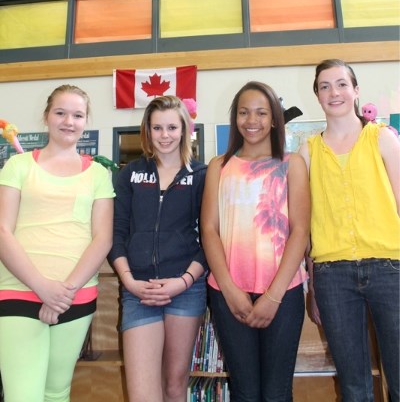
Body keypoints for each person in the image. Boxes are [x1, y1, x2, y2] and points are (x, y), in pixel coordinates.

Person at [0, 84, 114, 402]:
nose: (69, 121)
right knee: (23, 396)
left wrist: (64, 292)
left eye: (77, 115)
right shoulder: (17, 167)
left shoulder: (98, 175)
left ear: (85, 120)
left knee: (56, 392)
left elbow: (102, 237)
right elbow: (2, 231)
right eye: (60, 112)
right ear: (47, 116)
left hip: (75, 296)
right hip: (18, 290)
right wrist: (42, 288)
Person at [201, 81, 310, 402]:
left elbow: (300, 231)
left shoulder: (292, 164)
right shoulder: (219, 167)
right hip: (228, 294)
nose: (252, 120)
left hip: (283, 293)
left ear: (275, 118)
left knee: (277, 392)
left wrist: (273, 296)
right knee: (245, 392)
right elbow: (209, 229)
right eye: (244, 112)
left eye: (262, 113)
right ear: (235, 118)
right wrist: (230, 290)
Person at [299, 59, 400, 402]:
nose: (334, 92)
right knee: (354, 385)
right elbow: (305, 224)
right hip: (332, 275)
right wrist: (313, 281)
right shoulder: (307, 151)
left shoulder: (383, 138)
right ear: (317, 96)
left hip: (391, 268)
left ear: (356, 91)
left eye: (341, 84)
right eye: (324, 86)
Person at [108, 95, 208, 402]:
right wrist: (129, 282)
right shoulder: (130, 174)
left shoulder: (202, 175)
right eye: (157, 128)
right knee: (142, 394)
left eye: (172, 127)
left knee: (175, 386)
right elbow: (116, 232)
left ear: (184, 130)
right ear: (147, 131)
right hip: (138, 290)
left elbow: (211, 239)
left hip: (185, 290)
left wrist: (183, 281)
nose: (165, 135)